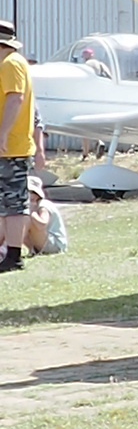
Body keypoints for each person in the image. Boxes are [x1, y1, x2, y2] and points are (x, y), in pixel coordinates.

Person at [0, 20, 35, 272]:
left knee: (14, 201)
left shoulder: (10, 63)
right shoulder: (11, 63)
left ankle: (14, 256)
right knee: (7, 202)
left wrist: (3, 134)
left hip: (11, 147)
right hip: (9, 145)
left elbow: (15, 98)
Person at [22, 176, 64, 256]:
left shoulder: (44, 204)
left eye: (31, 192)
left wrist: (31, 212)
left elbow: (42, 224)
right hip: (41, 243)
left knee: (25, 220)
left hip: (55, 245)